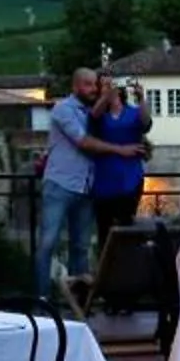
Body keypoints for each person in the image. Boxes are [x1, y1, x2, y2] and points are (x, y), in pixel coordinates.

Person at [36, 66, 107, 304]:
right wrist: (120, 150)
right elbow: (83, 142)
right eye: (88, 85)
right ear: (76, 86)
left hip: (85, 186)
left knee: (81, 246)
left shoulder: (96, 112)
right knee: (48, 242)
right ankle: (42, 297)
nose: (93, 89)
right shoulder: (63, 109)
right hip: (60, 183)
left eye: (95, 85)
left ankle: (78, 300)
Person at [87, 75, 152, 237]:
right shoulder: (100, 115)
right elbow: (93, 116)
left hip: (130, 177)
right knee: (105, 228)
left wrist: (141, 98)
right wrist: (105, 97)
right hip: (105, 178)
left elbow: (145, 122)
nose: (109, 88)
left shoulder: (133, 112)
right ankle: (105, 261)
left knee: (126, 226)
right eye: (103, 85)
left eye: (111, 85)